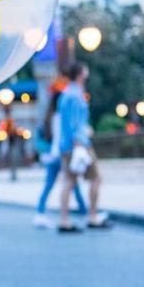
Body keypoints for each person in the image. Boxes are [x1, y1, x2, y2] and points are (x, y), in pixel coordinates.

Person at [57, 62, 110, 232]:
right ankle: (92, 216)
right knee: (95, 178)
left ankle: (64, 220)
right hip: (79, 144)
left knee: (69, 180)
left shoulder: (67, 93)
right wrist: (79, 142)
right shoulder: (74, 95)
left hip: (68, 144)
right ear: (80, 74)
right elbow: (74, 122)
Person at [33, 82, 87, 228]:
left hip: (50, 156)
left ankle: (39, 213)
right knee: (73, 184)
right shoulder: (62, 117)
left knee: (50, 185)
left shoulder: (48, 118)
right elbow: (64, 137)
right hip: (61, 154)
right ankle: (86, 212)